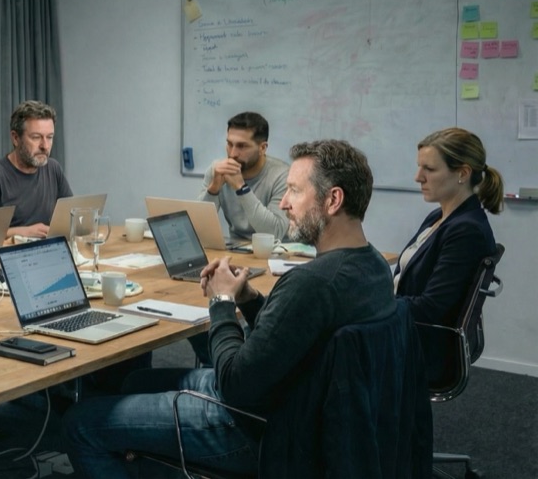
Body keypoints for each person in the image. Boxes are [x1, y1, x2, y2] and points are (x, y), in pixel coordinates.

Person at [63, 140, 396, 477]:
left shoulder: (312, 283)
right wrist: (248, 298)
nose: (283, 203)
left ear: (333, 199)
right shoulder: (374, 268)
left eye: (294, 191)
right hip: (304, 408)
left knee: (80, 424)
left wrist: (221, 302)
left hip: (262, 429)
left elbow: (235, 385)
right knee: (136, 380)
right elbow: (291, 334)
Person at [396, 127, 502, 379]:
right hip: (406, 329)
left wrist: (371, 303)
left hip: (423, 344)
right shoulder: (440, 216)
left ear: (462, 174)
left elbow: (430, 308)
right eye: (419, 167)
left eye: (429, 169)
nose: (417, 177)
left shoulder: (466, 230)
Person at [0, 100, 72, 238]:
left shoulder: (53, 168)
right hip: (7, 256)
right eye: (36, 137)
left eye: (50, 137)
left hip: (45, 250)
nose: (45, 146)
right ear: (16, 138)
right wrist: (21, 232)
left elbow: (72, 216)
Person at [198, 111, 289, 241]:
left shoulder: (282, 176)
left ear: (262, 148)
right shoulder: (217, 170)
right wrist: (213, 190)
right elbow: (197, 227)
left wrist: (241, 188)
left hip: (275, 252)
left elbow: (274, 233)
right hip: (237, 249)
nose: (233, 153)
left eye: (241, 146)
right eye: (229, 144)